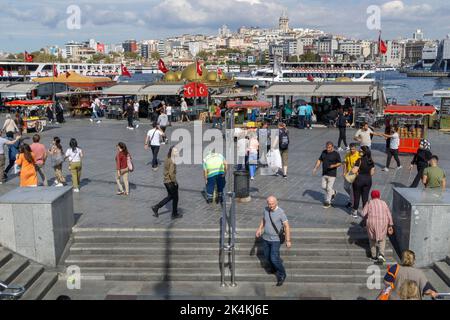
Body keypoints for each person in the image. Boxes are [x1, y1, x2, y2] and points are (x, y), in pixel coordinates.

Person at [255, 196, 291, 287]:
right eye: (269, 204)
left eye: (272, 204)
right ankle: (274, 268)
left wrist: (288, 240)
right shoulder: (265, 209)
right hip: (265, 238)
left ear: (276, 202)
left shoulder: (281, 212)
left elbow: (287, 226)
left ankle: (282, 274)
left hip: (276, 240)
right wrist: (259, 229)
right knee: (267, 256)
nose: (271, 206)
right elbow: (264, 220)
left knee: (274, 258)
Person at [360, 190, 394, 264]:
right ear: (379, 196)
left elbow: (362, 214)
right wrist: (390, 225)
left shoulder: (369, 203)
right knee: (382, 239)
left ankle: (374, 256)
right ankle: (381, 254)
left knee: (372, 239)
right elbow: (389, 214)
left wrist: (367, 215)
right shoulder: (384, 203)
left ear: (371, 196)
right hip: (383, 223)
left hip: (372, 223)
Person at [152, 146, 182, 219]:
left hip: (166, 181)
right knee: (175, 198)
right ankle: (174, 214)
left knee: (170, 197)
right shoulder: (172, 160)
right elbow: (171, 173)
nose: (177, 152)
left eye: (177, 151)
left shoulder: (167, 157)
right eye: (175, 151)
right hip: (170, 182)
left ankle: (156, 207)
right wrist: (175, 182)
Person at [313, 142, 342, 209]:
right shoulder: (324, 152)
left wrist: (333, 165)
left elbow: (339, 163)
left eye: (329, 148)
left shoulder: (336, 154)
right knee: (323, 187)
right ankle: (333, 192)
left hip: (332, 174)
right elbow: (319, 160)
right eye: (327, 147)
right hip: (324, 173)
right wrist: (315, 168)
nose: (328, 149)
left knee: (329, 188)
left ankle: (328, 202)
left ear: (332, 147)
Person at [352, 146, 375, 218]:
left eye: (360, 151)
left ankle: (355, 212)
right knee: (365, 197)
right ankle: (365, 213)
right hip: (368, 180)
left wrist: (354, 167)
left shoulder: (359, 160)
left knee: (357, 196)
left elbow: (354, 171)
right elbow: (372, 173)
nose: (359, 152)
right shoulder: (371, 161)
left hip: (359, 180)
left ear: (364, 152)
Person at [343, 143, 360, 209]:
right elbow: (345, 163)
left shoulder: (358, 155)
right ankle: (353, 197)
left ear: (356, 148)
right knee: (346, 187)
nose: (352, 150)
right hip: (348, 174)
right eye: (351, 149)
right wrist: (344, 172)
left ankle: (351, 203)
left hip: (356, 174)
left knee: (352, 189)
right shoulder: (348, 154)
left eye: (353, 149)